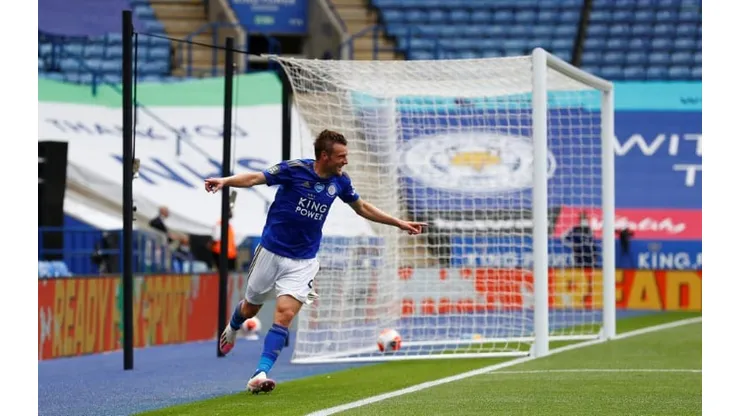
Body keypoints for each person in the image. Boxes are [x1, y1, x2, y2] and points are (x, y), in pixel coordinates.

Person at [204, 130, 426, 393]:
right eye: (341, 156)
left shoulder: (341, 181)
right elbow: (255, 178)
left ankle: (260, 373)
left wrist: (398, 223)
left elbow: (362, 207)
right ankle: (233, 327)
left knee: (285, 314)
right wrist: (225, 181)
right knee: (250, 308)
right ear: (324, 156)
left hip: (303, 260)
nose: (346, 161)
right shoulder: (294, 169)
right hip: (271, 252)